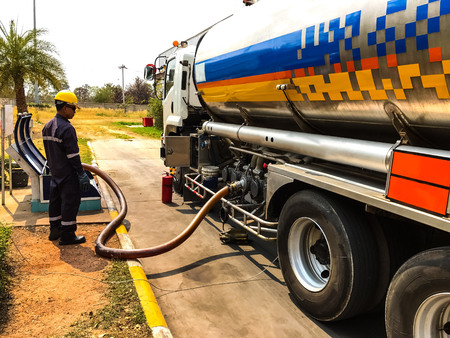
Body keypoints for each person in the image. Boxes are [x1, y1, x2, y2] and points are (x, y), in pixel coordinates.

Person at [42, 90, 91, 245]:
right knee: (70, 203)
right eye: (73, 108)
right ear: (65, 108)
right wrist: (81, 173)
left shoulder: (47, 126)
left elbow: (49, 151)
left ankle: (54, 230)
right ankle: (68, 236)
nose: (75, 111)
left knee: (55, 202)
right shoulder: (67, 128)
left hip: (55, 172)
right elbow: (73, 155)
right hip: (68, 174)